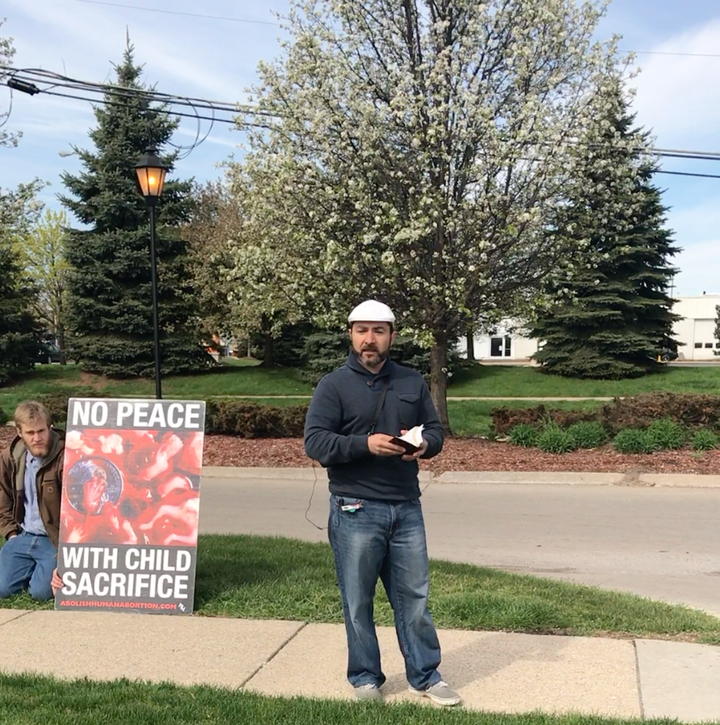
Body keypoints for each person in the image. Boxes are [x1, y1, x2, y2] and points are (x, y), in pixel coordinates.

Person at [304, 300, 461, 707]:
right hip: (355, 507)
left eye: (377, 331)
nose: (368, 339)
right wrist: (365, 445)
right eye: (361, 331)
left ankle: (425, 676)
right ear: (351, 335)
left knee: (415, 597)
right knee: (358, 599)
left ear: (392, 335)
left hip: (406, 507)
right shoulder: (333, 385)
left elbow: (437, 432)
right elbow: (316, 442)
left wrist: (424, 445)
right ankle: (365, 678)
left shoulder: (411, 381)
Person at [0, 401, 64, 600]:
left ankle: (39, 573)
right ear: (19, 432)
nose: (37, 438)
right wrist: (11, 533)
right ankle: (29, 568)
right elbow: (3, 497)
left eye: (41, 431)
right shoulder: (10, 457)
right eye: (30, 433)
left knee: (41, 593)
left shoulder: (66, 455)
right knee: (3, 590)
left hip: (54, 540)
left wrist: (67, 555)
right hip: (24, 535)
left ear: (49, 427)